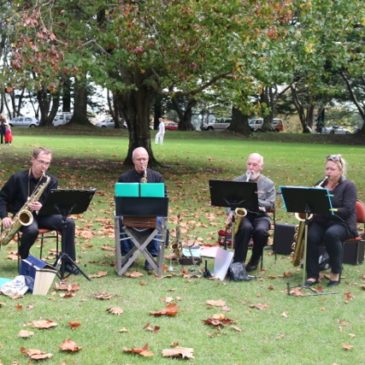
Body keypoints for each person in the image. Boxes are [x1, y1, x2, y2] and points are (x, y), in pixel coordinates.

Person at [0, 147, 78, 274]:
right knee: (31, 230)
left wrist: (42, 207)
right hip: (22, 217)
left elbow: (54, 206)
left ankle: (68, 263)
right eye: (41, 162)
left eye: (47, 163)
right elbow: (2, 198)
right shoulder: (18, 178)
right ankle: (24, 256)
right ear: (33, 160)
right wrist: (4, 216)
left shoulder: (51, 180)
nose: (44, 166)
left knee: (68, 223)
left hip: (44, 215)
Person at [305, 154, 357, 287]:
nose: (329, 172)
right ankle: (312, 274)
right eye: (327, 168)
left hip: (342, 223)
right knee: (311, 236)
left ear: (340, 171)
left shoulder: (348, 186)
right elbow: (311, 204)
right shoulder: (320, 184)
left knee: (331, 234)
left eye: (332, 169)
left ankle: (335, 273)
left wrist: (328, 209)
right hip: (322, 221)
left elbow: (347, 210)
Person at [117, 147, 165, 271]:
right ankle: (128, 254)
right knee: (119, 218)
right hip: (130, 213)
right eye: (139, 159)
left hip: (151, 214)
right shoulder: (124, 178)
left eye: (144, 159)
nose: (142, 162)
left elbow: (164, 198)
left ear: (148, 160)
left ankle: (151, 257)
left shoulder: (157, 177)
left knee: (160, 219)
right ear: (133, 161)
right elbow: (119, 201)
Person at [227, 153, 275, 272]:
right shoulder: (238, 180)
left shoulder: (268, 183)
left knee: (261, 231)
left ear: (261, 167)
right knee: (245, 228)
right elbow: (229, 201)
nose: (251, 167)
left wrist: (254, 199)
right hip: (243, 215)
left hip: (260, 215)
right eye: (249, 164)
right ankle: (239, 261)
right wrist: (230, 212)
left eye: (255, 165)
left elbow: (271, 204)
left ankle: (254, 260)